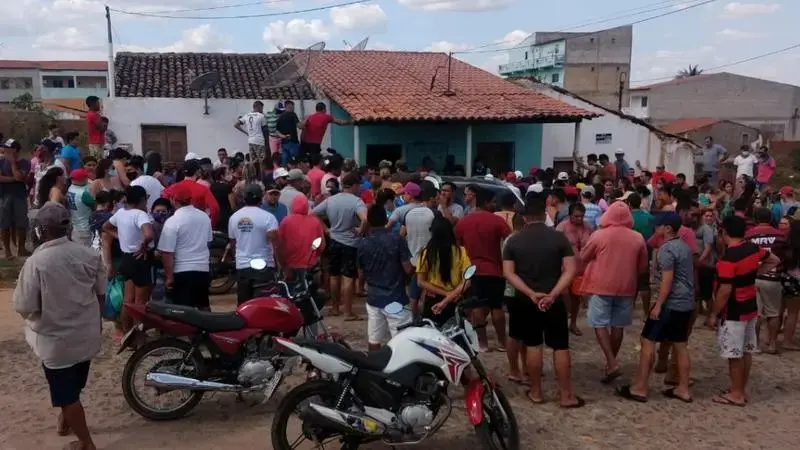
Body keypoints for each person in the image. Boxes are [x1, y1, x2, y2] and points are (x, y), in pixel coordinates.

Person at [13, 201, 105, 450]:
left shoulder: (37, 262)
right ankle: (66, 422)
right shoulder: (89, 254)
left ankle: (86, 443)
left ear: (40, 230)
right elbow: (100, 294)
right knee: (74, 385)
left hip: (56, 341)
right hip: (86, 334)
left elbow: (24, 305)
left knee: (66, 394)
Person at [502, 195, 584, 408]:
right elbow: (571, 270)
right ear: (544, 214)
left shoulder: (515, 240)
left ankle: (537, 391)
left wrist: (530, 292)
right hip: (553, 299)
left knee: (533, 344)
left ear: (524, 217)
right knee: (560, 346)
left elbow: (509, 274)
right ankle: (566, 394)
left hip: (526, 300)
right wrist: (553, 294)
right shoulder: (558, 238)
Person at [617, 212, 695, 403]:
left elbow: (667, 280)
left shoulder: (666, 250)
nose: (655, 228)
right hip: (686, 302)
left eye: (658, 225)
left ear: (667, 228)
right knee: (681, 345)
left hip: (670, 302)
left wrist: (658, 305)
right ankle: (683, 388)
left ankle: (640, 386)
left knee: (647, 341)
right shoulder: (684, 247)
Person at [707, 215, 780, 407]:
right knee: (746, 350)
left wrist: (714, 313)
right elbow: (773, 260)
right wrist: (754, 273)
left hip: (733, 311)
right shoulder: (753, 248)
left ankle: (736, 393)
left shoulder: (728, 258)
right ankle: (740, 389)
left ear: (724, 232)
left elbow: (724, 291)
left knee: (734, 354)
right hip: (750, 306)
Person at [580, 201, 648, 383]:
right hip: (627, 287)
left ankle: (611, 362)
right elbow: (642, 267)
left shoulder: (599, 235)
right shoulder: (637, 238)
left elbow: (583, 257)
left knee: (599, 323)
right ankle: (611, 363)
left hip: (600, 285)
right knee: (618, 326)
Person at [456, 186, 510, 352]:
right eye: (493, 202)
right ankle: (502, 342)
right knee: (496, 307)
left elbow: (458, 244)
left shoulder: (463, 222)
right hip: (495, 269)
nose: (495, 205)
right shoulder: (498, 221)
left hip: (473, 271)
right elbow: (509, 241)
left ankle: (482, 343)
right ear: (486, 202)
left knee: (478, 307)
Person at [312, 172, 368, 319]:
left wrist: (326, 229)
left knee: (334, 276)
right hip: (350, 243)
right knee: (349, 278)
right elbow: (365, 220)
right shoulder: (357, 202)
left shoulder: (331, 200)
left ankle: (335, 307)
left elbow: (312, 213)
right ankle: (348, 311)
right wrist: (360, 231)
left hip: (334, 241)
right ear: (355, 186)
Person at [358, 204, 413, 350]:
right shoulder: (397, 239)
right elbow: (407, 268)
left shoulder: (363, 243)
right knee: (403, 339)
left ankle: (374, 367)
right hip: (395, 298)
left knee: (374, 339)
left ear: (368, 221)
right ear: (386, 219)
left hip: (374, 298)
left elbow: (361, 273)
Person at [103, 186, 154, 332]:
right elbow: (149, 234)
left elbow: (106, 227)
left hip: (127, 259)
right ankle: (139, 338)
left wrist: (120, 237)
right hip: (140, 259)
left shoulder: (120, 213)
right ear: (142, 200)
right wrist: (144, 245)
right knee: (140, 303)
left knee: (127, 301)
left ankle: (127, 334)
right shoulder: (140, 214)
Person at [159, 182, 213, 309]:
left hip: (182, 272)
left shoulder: (172, 222)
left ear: (173, 199)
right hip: (203, 270)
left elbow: (167, 253)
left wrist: (169, 277)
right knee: (202, 308)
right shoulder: (204, 217)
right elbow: (208, 242)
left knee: (183, 312)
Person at [744, 207, 788, 354]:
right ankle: (773, 344)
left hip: (754, 277)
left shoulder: (749, 235)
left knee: (756, 313)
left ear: (756, 219)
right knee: (773, 312)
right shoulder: (780, 236)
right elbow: (785, 255)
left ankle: (754, 344)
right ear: (770, 219)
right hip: (773, 278)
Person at [228, 184, 280, 305]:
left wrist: (239, 259)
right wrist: (279, 264)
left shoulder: (234, 218)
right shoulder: (268, 218)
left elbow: (232, 242)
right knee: (263, 306)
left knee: (244, 307)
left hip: (243, 267)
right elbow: (276, 243)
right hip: (264, 266)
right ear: (261, 198)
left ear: (244, 198)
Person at [417, 216, 472, 326]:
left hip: (433, 301)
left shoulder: (427, 253)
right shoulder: (461, 251)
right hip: (456, 300)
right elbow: (467, 281)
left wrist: (445, 294)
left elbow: (421, 281)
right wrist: (450, 295)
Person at [556, 203, 592, 336]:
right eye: (576, 216)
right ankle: (562, 323)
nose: (579, 219)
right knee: (563, 296)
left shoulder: (587, 227)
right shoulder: (562, 227)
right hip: (563, 269)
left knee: (576, 297)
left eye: (581, 216)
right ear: (570, 215)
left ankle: (573, 324)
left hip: (581, 269)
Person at [279, 193, 326, 280]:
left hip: (290, 265)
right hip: (310, 264)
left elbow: (279, 244)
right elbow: (322, 245)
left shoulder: (286, 221)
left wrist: (283, 264)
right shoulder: (315, 222)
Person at [161, 159, 220, 226]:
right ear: (198, 172)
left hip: (177, 224)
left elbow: (162, 205)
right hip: (198, 224)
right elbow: (215, 208)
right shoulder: (203, 189)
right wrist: (211, 225)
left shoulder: (171, 188)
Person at [0, 139, 31, 259]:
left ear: (15, 150)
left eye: (8, 149)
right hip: (3, 195)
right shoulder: (1, 162)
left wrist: (13, 163)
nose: (5, 151)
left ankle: (21, 249)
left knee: (21, 223)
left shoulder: (24, 162)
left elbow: (20, 176)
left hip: (19, 196)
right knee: (4, 223)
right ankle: (7, 251)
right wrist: (14, 179)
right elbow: (15, 178)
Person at [235, 101, 268, 178]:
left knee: (253, 161)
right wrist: (266, 143)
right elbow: (265, 130)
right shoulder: (261, 116)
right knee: (262, 161)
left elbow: (236, 125)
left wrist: (246, 132)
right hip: (259, 141)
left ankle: (253, 177)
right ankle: (262, 179)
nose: (262, 110)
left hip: (251, 141)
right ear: (259, 107)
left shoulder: (246, 115)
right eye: (262, 108)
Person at [66, 169, 95, 247]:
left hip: (75, 226)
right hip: (85, 228)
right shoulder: (83, 194)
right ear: (82, 179)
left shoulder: (71, 188)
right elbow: (94, 206)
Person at [275, 100, 303, 167]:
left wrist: (284, 136)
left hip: (284, 143)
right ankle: (294, 175)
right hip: (293, 142)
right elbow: (299, 126)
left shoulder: (280, 116)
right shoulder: (293, 114)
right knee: (294, 161)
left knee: (285, 161)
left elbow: (276, 131)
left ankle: (284, 175)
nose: (293, 108)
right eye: (293, 107)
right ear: (290, 106)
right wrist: (305, 122)